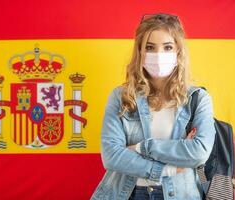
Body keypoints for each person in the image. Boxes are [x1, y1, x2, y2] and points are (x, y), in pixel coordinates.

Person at [91, 13, 216, 200]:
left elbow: (198, 153)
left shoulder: (198, 99)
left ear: (178, 52)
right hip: (127, 194)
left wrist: (140, 148)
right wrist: (166, 169)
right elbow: (111, 155)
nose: (158, 55)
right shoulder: (121, 97)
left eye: (167, 47)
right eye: (150, 48)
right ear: (140, 52)